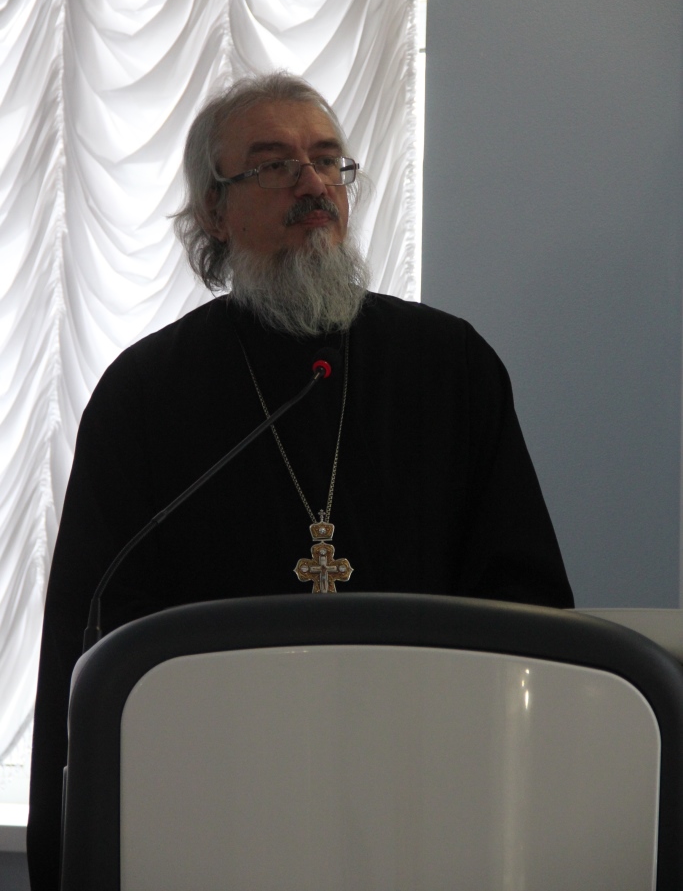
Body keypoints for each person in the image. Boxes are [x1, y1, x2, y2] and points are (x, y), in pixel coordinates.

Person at [27, 72, 573, 889]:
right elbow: (92, 627)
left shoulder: (448, 365)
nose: (313, 185)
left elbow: (522, 598)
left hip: (424, 795)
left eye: (328, 161)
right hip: (217, 803)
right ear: (214, 210)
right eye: (274, 164)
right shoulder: (147, 391)